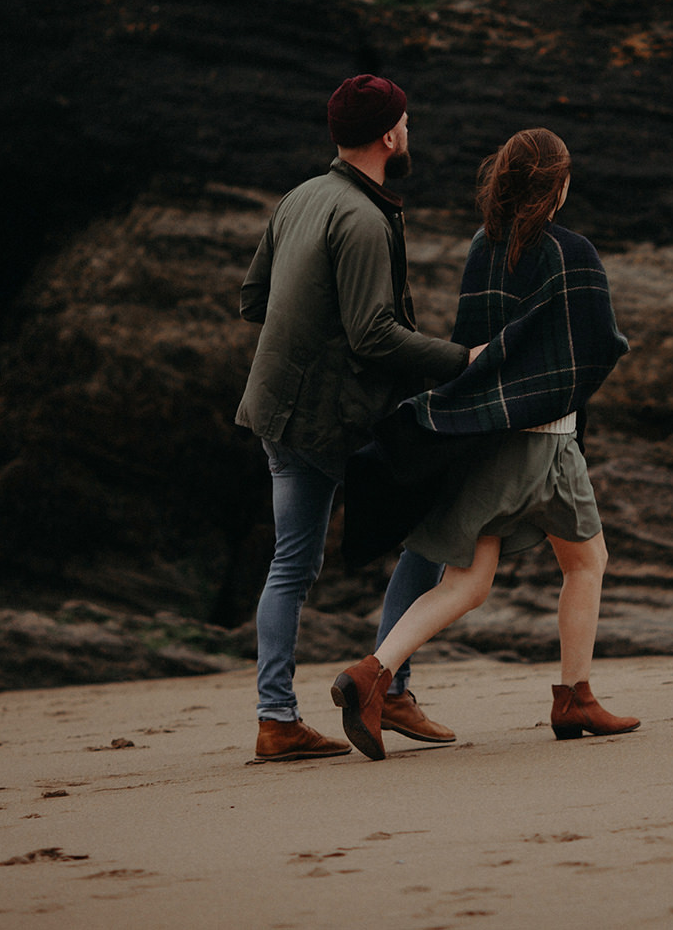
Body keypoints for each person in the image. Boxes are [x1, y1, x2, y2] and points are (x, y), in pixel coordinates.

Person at [330, 128, 638, 761]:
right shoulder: (571, 252)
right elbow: (596, 347)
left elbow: (476, 343)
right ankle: (572, 696)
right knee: (586, 563)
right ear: (556, 185)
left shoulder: (484, 247)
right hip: (547, 445)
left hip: (489, 434)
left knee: (469, 582)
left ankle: (371, 674)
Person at [236, 74, 478, 762]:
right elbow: (373, 334)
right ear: (388, 134)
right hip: (326, 418)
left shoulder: (300, 198)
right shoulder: (364, 217)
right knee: (434, 524)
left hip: (273, 409)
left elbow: (256, 299)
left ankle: (275, 719)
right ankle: (391, 687)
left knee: (290, 564)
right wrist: (463, 358)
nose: (410, 132)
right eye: (407, 122)